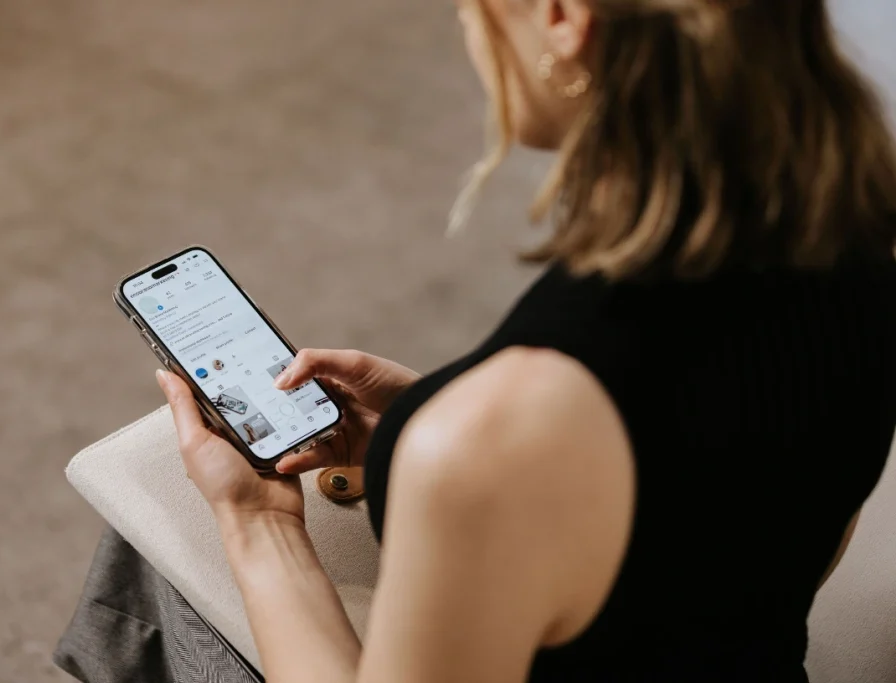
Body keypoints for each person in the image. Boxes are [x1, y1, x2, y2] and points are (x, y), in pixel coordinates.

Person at [155, 1, 896, 681]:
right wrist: (435, 415)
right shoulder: (864, 229)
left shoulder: (494, 437)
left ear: (563, 17)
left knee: (157, 556)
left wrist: (260, 528)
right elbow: (766, 531)